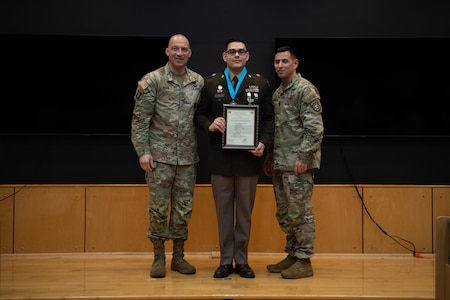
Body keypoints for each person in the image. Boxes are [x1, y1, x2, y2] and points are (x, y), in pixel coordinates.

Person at [195, 38, 274, 279]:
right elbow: (199, 115)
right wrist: (210, 125)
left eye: (241, 52)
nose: (237, 55)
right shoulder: (211, 84)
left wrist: (263, 143)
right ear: (224, 56)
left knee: (244, 215)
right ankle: (224, 261)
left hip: (249, 161)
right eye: (232, 52)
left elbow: (270, 120)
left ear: (248, 56)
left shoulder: (260, 84)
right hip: (220, 160)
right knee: (223, 214)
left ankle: (242, 261)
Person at [131, 34, 204, 278]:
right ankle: (159, 257)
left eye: (184, 49)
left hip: (186, 159)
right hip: (159, 157)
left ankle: (179, 257)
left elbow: (200, 117)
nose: (180, 53)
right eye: (175, 49)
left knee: (183, 210)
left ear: (190, 53)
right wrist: (143, 151)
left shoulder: (198, 82)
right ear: (167, 51)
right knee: (159, 209)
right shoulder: (152, 80)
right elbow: (140, 120)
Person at [264, 46, 324, 279]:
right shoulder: (279, 93)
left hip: (298, 165)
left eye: (284, 61)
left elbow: (315, 130)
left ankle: (304, 260)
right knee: (286, 213)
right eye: (277, 61)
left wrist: (304, 157)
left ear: (295, 63)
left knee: (300, 213)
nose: (280, 65)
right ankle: (292, 254)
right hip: (281, 164)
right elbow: (277, 131)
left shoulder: (305, 90)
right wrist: (270, 158)